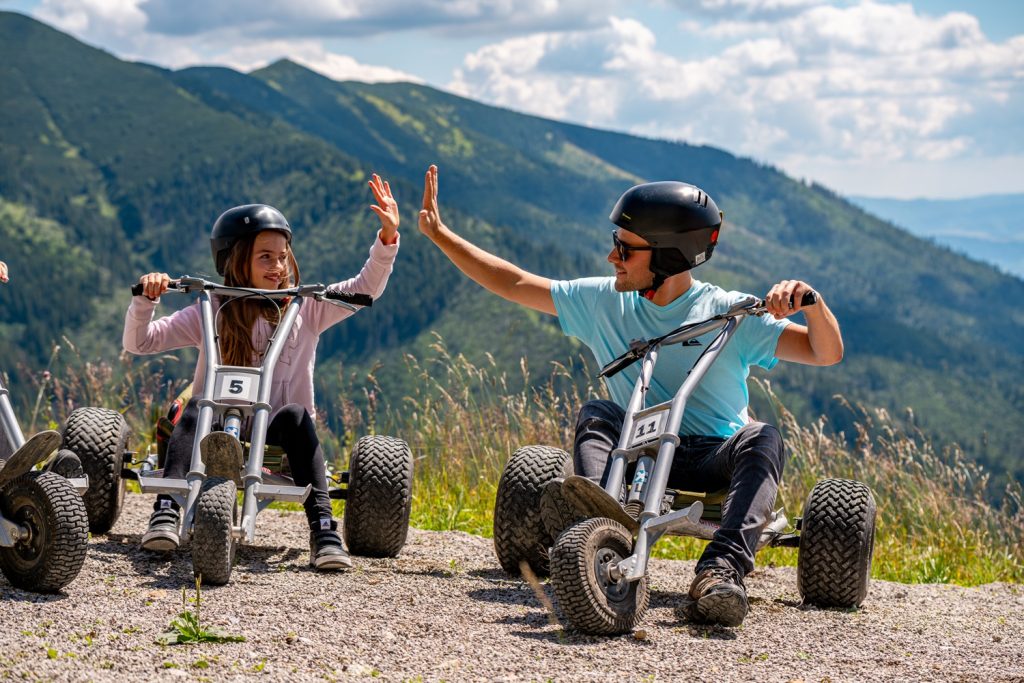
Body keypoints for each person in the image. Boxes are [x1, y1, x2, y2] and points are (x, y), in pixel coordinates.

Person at [416, 165, 843, 626]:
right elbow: (515, 283)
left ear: (667, 255)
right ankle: (601, 523)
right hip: (634, 452)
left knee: (764, 437)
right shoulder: (605, 301)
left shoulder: (730, 312)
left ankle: (721, 571)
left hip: (711, 455)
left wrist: (812, 305)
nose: (611, 257)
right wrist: (440, 235)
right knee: (598, 412)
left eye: (625, 248)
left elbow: (825, 352)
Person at [124, 174, 401, 571]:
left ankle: (323, 529)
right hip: (214, 423)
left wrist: (387, 238)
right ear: (237, 262)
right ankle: (166, 510)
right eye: (265, 257)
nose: (278, 266)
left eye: (283, 255)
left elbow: (366, 287)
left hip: (276, 427)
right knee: (192, 407)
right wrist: (145, 301)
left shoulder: (305, 307)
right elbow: (141, 342)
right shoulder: (211, 307)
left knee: (297, 417)